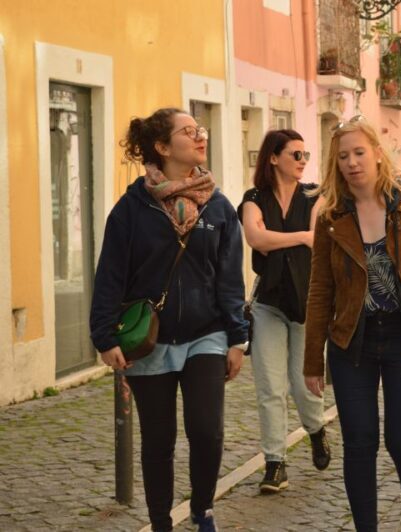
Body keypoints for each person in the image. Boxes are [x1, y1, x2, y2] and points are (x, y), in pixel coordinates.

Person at [90, 107, 248, 532]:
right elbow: (110, 276)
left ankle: (203, 508)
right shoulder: (131, 210)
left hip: (207, 334)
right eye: (189, 131)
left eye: (200, 130)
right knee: (158, 440)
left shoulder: (218, 207)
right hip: (150, 340)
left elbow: (230, 277)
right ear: (162, 147)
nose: (200, 137)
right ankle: (161, 521)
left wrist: (238, 337)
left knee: (207, 430)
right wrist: (104, 337)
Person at [303, 116, 401, 532]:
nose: (351, 162)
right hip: (353, 343)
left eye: (359, 152)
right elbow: (320, 290)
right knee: (359, 443)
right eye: (343, 156)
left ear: (377, 154)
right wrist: (314, 359)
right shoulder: (330, 217)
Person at [238, 129, 331, 493]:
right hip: (269, 304)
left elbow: (318, 237)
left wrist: (293, 238)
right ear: (274, 158)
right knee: (270, 386)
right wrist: (301, 238)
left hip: (308, 303)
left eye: (305, 154)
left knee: (304, 383)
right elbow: (256, 238)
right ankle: (275, 463)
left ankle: (316, 429)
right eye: (295, 154)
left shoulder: (315, 196)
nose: (303, 161)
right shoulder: (253, 198)